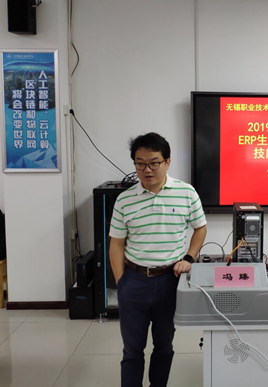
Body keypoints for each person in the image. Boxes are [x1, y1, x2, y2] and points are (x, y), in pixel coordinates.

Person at [109, 132, 207, 387]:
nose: (147, 170)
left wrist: (189, 257)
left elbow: (200, 228)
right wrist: (121, 283)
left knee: (164, 346)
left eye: (154, 163)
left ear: (167, 162)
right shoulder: (124, 200)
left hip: (169, 281)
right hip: (134, 281)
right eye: (140, 164)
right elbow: (116, 244)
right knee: (132, 350)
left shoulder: (186, 193)